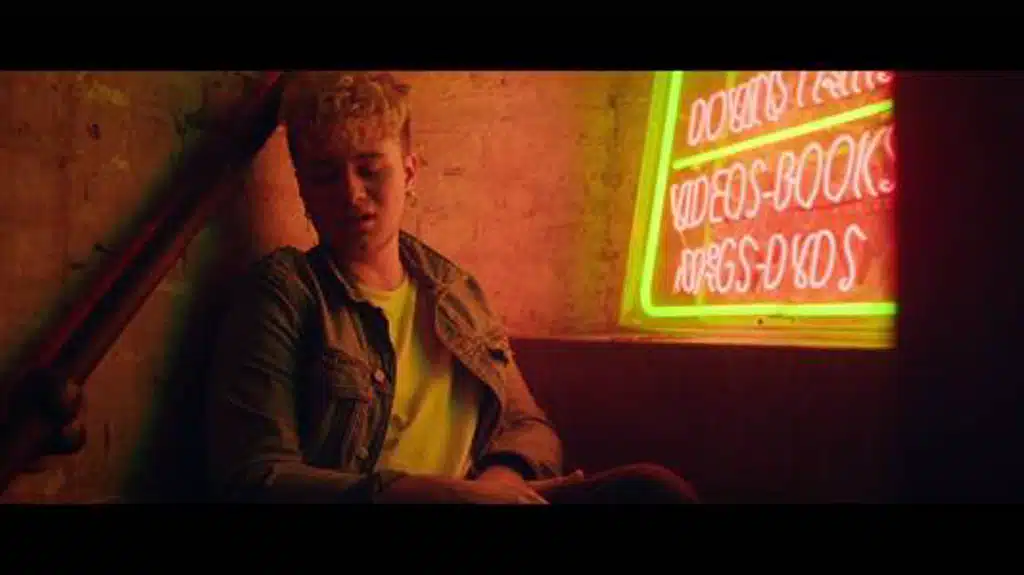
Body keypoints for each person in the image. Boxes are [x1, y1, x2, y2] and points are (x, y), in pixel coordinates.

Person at [205, 71, 699, 504]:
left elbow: (529, 426)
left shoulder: (452, 291)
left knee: (651, 489)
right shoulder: (284, 293)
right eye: (324, 176)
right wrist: (424, 492)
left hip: (481, 494)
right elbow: (256, 476)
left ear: (409, 170)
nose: (351, 194)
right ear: (302, 188)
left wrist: (498, 483)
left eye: (370, 169)